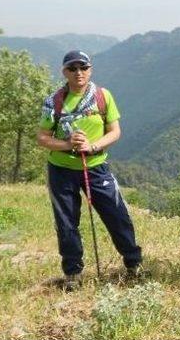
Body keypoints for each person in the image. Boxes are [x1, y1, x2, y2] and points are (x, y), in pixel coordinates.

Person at [37, 50, 142, 291]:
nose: (78, 73)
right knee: (66, 222)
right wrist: (67, 144)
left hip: (95, 166)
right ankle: (73, 273)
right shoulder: (54, 101)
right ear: (64, 72)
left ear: (90, 70)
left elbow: (115, 131)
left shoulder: (102, 96)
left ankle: (133, 263)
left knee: (117, 215)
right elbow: (42, 137)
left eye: (83, 67)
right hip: (62, 168)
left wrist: (92, 146)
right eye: (72, 68)